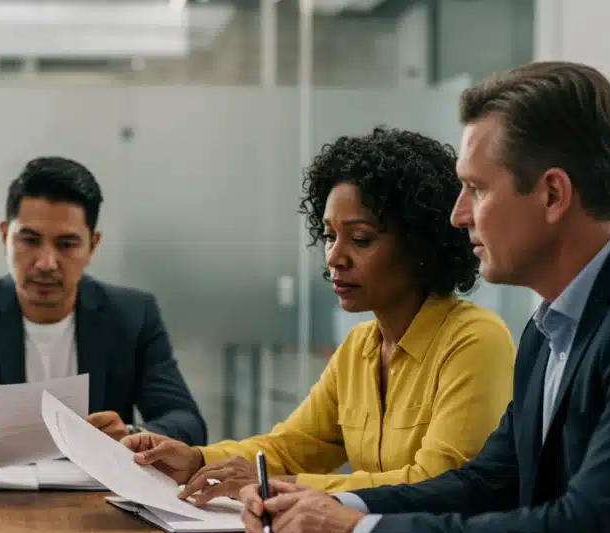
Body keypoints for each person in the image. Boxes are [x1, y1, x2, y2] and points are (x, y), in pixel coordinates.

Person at [236, 62, 610, 533]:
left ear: (552, 194)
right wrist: (337, 512)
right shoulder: (549, 329)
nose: (458, 215)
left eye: (475, 189)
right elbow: (484, 485)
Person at [124, 128, 515, 498]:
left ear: (422, 245)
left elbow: (436, 484)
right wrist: (195, 459)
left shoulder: (475, 340)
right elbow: (290, 447)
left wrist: (279, 486)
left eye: (360, 239)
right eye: (329, 235)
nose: (334, 258)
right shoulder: (359, 347)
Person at [0, 156, 206, 446]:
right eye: (30, 240)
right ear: (5, 237)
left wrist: (131, 436)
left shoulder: (132, 316)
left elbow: (186, 422)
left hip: (96, 498)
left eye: (66, 244)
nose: (46, 263)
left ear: (92, 246)